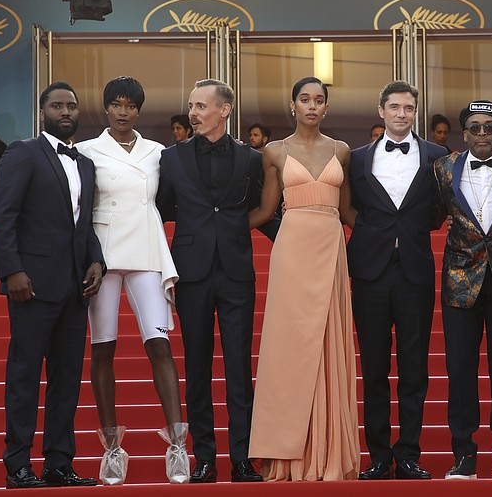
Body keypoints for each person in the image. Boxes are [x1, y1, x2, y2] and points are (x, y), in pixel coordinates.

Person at [156, 79, 279, 484]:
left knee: (240, 368)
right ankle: (204, 458)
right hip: (190, 270)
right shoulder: (171, 159)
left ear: (224, 110)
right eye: (190, 105)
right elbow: (161, 212)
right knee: (197, 365)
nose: (193, 112)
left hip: (235, 269)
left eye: (201, 106)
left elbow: (267, 209)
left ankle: (242, 459)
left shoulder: (249, 158)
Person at [76, 76, 189, 485]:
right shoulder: (86, 151)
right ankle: (111, 449)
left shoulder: (158, 152)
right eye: (116, 105)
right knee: (103, 348)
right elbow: (81, 206)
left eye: (130, 106)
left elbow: (169, 199)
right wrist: (87, 256)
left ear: (139, 110)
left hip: (146, 250)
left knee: (159, 345)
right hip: (102, 256)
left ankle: (177, 445)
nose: (124, 112)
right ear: (106, 108)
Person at [0, 82, 104, 488]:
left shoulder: (86, 164)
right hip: (31, 285)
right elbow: (3, 215)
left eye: (71, 105)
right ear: (43, 112)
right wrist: (11, 271)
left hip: (75, 288)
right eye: (57, 105)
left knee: (66, 379)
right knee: (24, 377)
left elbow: (83, 224)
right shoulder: (23, 152)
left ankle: (59, 463)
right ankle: (18, 466)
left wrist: (96, 260)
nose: (66, 111)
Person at [247, 77, 360, 481]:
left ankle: (329, 452)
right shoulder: (274, 152)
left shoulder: (341, 151)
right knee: (289, 349)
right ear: (291, 105)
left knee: (329, 344)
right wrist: (221, 230)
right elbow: (265, 211)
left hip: (331, 249)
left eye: (319, 100)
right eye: (304, 99)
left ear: (326, 107)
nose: (311, 106)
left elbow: (348, 213)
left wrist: (389, 236)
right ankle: (287, 456)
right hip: (291, 252)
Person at [347, 80, 449, 480]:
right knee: (373, 368)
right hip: (370, 271)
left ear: (415, 111)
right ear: (381, 111)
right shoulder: (356, 159)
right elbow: (350, 207)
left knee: (414, 368)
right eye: (394, 107)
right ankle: (378, 455)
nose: (401, 114)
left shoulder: (438, 155)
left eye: (408, 108)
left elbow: (439, 210)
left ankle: (408, 453)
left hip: (415, 270)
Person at [434, 100, 492, 480]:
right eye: (474, 127)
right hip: (460, 281)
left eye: (490, 127)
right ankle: (464, 454)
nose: (482, 134)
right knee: (460, 371)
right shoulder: (442, 169)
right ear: (464, 134)